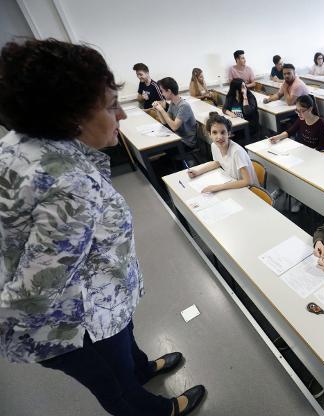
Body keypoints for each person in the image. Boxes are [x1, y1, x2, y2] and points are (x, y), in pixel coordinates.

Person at [0, 38, 205, 416]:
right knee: (118, 387)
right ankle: (158, 410)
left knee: (127, 352)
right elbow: (31, 299)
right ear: (70, 118)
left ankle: (141, 368)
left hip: (103, 302)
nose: (123, 116)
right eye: (112, 108)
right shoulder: (69, 186)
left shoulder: (22, 142)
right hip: (80, 327)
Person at [187, 113, 258, 191]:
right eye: (214, 132)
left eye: (223, 132)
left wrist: (218, 187)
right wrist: (197, 172)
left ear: (229, 133)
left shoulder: (237, 152)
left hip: (249, 190)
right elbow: (217, 162)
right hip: (234, 185)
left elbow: (247, 181)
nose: (219, 137)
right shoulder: (214, 146)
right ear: (209, 134)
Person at [153, 77, 197, 149]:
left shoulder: (184, 106)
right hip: (177, 137)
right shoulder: (172, 103)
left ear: (169, 91)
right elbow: (165, 122)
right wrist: (157, 110)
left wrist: (162, 110)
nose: (162, 94)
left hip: (186, 142)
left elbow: (174, 127)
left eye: (162, 91)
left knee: (162, 149)